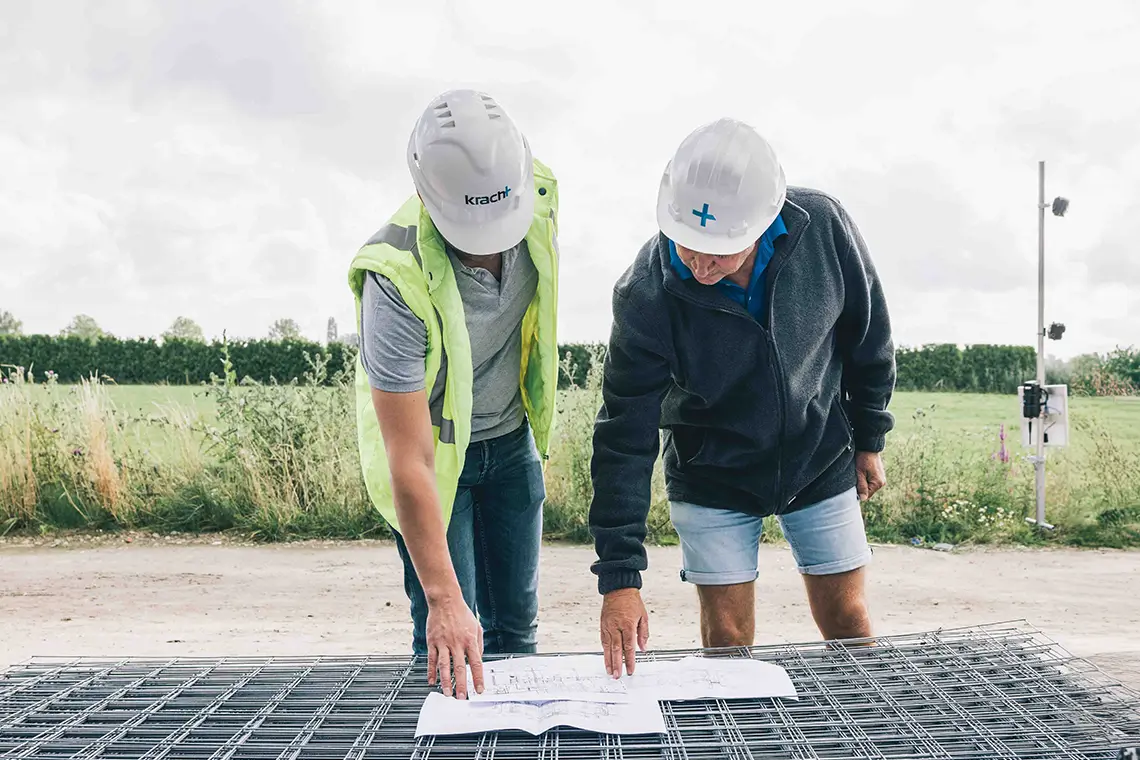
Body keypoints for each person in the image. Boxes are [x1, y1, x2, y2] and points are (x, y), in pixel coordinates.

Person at [587, 117, 896, 677]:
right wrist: (620, 579)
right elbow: (623, 435)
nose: (700, 264)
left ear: (764, 221)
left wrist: (869, 436)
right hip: (713, 474)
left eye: (720, 251)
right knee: (728, 642)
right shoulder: (644, 294)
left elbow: (868, 333)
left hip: (818, 455)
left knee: (849, 621)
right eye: (689, 244)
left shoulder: (823, 227)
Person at [347, 89, 561, 698]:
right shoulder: (394, 276)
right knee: (451, 641)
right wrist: (443, 599)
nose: (491, 242)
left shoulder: (537, 198)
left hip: (511, 442)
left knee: (516, 632)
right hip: (437, 461)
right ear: (426, 196)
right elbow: (409, 458)